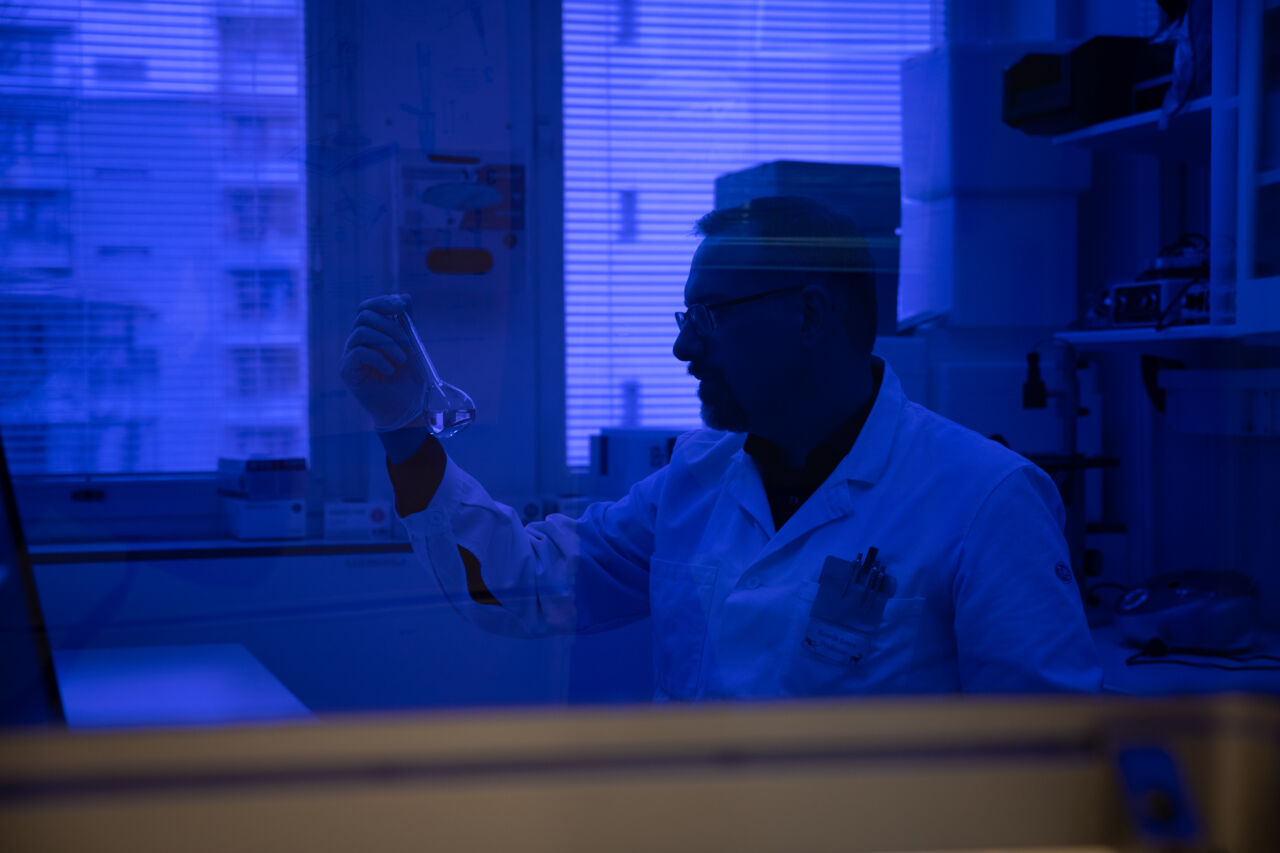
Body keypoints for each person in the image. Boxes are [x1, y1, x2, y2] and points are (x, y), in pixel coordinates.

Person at [341, 195, 1101, 700]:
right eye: (684, 318)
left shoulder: (984, 499)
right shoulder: (697, 477)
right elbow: (523, 584)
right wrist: (406, 429)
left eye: (708, 316)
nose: (682, 348)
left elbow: (1045, 771)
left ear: (811, 315)